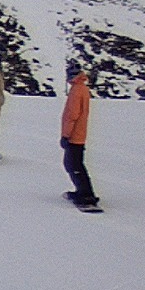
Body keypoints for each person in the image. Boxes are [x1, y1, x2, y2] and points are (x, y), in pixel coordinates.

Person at [60, 63, 99, 207]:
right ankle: (84, 191)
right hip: (79, 133)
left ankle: (86, 194)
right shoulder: (82, 88)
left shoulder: (77, 90)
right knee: (75, 163)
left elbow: (72, 115)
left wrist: (66, 135)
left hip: (75, 134)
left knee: (73, 164)